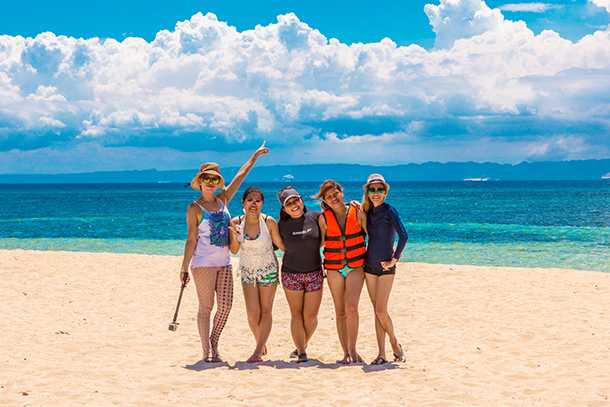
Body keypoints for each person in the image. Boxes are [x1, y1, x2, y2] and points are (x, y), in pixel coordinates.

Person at [179, 142, 269, 363]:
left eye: (214, 179)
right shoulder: (194, 208)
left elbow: (241, 174)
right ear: (200, 182)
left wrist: (255, 156)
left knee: (226, 306)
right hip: (202, 264)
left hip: (225, 263)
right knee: (206, 307)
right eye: (206, 179)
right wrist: (183, 267)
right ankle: (207, 350)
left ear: (218, 183)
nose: (210, 183)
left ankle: (214, 341)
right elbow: (191, 239)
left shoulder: (224, 200)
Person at [313, 180, 367, 364]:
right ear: (325, 201)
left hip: (355, 266)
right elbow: (319, 242)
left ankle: (353, 349)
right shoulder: (323, 218)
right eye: (328, 197)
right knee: (340, 311)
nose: (333, 198)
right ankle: (346, 353)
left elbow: (372, 233)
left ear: (342, 192)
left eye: (335, 194)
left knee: (351, 308)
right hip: (334, 268)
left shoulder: (357, 211)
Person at [228, 187, 284, 363]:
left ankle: (258, 351)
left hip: (268, 269)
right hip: (247, 270)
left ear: (262, 203)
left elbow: (282, 246)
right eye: (250, 200)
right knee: (253, 313)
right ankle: (260, 340)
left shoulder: (269, 222)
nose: (254, 203)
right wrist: (236, 235)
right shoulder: (236, 222)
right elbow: (235, 251)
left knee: (266, 311)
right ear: (243, 202)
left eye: (258, 200)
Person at [361, 173, 408, 365]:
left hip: (386, 267)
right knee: (376, 311)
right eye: (372, 189)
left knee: (381, 311)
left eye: (380, 189)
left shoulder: (390, 211)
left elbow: (403, 236)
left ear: (385, 192)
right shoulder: (366, 212)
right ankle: (381, 354)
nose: (376, 193)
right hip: (369, 266)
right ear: (367, 192)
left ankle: (394, 344)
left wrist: (394, 259)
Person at [276, 186, 324, 363]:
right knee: (296, 314)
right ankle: (302, 352)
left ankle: (300, 345)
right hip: (291, 274)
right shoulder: (282, 225)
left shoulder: (316, 217)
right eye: (289, 204)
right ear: (284, 208)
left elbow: (337, 215)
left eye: (296, 200)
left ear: (302, 200)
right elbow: (268, 240)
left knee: (311, 317)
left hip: (315, 273)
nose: (294, 205)